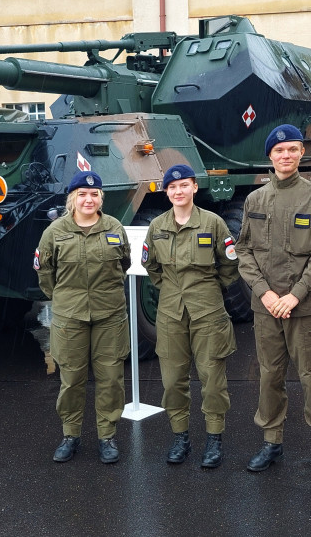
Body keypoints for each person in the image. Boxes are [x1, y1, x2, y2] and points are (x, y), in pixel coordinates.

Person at [237, 124, 311, 479]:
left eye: (293, 149)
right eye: (279, 150)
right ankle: (271, 440)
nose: (286, 155)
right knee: (269, 376)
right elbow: (244, 250)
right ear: (270, 156)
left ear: (301, 154)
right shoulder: (255, 200)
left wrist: (294, 296)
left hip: (304, 307)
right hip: (266, 307)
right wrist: (265, 293)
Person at [143, 164, 240, 468]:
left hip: (208, 312)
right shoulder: (157, 226)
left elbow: (229, 266)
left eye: (184, 185)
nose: (178, 191)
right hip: (170, 313)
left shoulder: (213, 223)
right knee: (173, 380)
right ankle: (180, 436)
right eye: (172, 187)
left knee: (212, 378)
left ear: (195, 188)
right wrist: (173, 290)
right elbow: (152, 268)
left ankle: (214, 438)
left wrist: (207, 290)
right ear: (166, 191)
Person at [35, 171, 131, 464]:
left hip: (110, 315)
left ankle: (107, 436)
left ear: (101, 198)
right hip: (70, 317)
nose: (88, 199)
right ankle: (70, 435)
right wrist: (66, 299)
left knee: (111, 377)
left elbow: (124, 263)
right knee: (72, 377)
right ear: (72, 199)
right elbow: (45, 272)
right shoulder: (55, 231)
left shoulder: (114, 227)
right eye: (82, 194)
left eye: (94, 194)